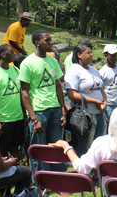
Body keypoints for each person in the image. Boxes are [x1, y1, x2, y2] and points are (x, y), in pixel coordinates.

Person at [18, 30, 67, 171]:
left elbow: (58, 85)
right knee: (39, 149)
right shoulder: (27, 63)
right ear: (37, 43)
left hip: (55, 110)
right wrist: (33, 118)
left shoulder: (52, 60)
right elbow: (24, 91)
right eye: (47, 40)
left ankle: (59, 179)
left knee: (57, 146)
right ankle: (39, 183)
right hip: (39, 111)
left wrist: (63, 110)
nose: (50, 42)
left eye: (50, 39)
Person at [65, 43, 108, 156]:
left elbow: (101, 88)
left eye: (91, 52)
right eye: (88, 53)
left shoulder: (93, 70)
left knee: (100, 144)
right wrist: (94, 101)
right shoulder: (74, 70)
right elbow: (72, 94)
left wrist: (105, 102)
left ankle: (97, 169)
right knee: (86, 146)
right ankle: (84, 171)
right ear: (79, 55)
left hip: (100, 113)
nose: (91, 55)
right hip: (87, 115)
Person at [0, 44, 25, 157]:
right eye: (11, 52)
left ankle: (17, 172)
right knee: (3, 151)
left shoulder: (16, 70)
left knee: (16, 149)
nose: (14, 54)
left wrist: (25, 115)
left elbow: (21, 94)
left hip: (18, 118)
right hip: (3, 120)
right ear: (3, 54)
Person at [99, 44, 117, 130]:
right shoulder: (102, 72)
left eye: (116, 55)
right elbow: (100, 89)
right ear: (106, 55)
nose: (115, 57)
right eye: (112, 55)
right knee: (108, 129)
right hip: (109, 105)